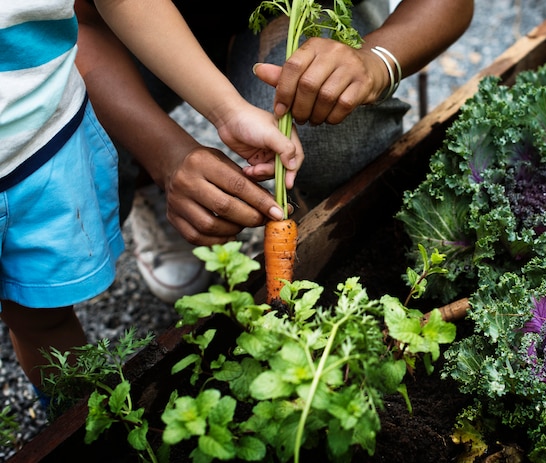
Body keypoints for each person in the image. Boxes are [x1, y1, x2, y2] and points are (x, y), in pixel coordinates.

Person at [76, 0, 474, 302]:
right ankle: (148, 186)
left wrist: (374, 62)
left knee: (331, 130)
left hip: (286, 14)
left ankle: (300, 263)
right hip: (125, 21)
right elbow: (76, 22)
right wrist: (166, 157)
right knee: (75, 138)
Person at [0, 0, 301, 396]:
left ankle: (82, 426)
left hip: (41, 150)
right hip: (37, 138)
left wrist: (227, 112)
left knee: (42, 316)